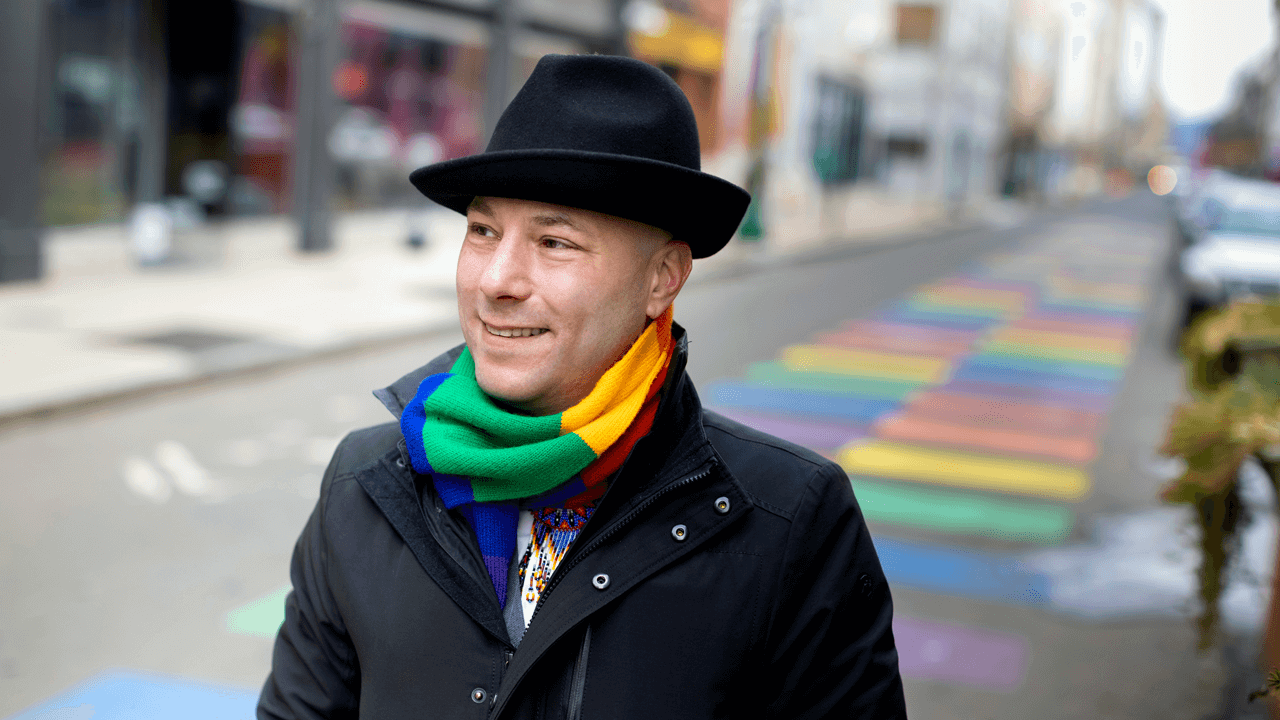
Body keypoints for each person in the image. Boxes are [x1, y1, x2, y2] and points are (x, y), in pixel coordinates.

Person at [258, 53, 905, 720]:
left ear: (661, 280)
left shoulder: (789, 524)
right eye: (483, 231)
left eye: (556, 243)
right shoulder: (365, 485)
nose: (496, 281)